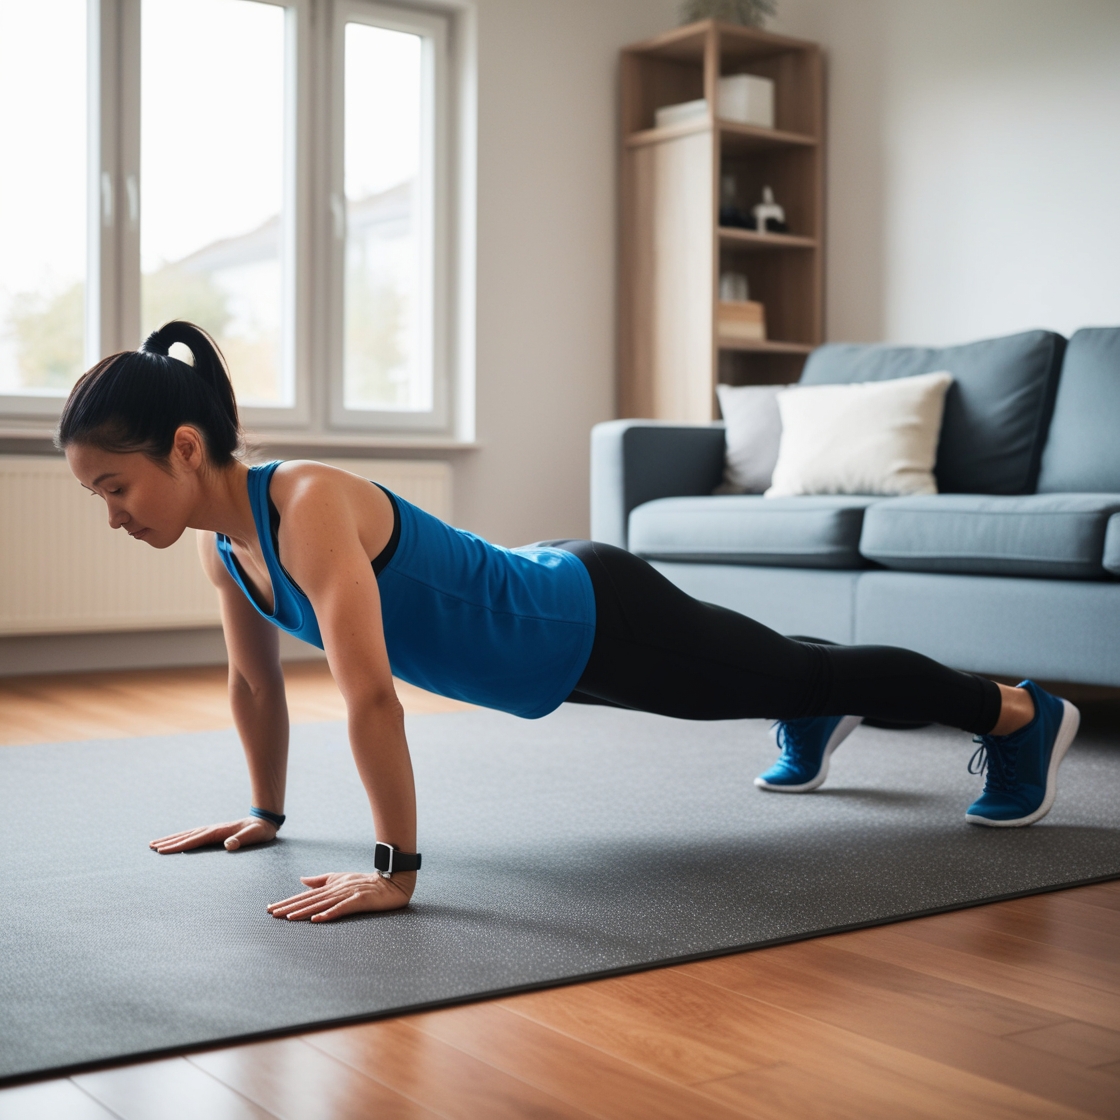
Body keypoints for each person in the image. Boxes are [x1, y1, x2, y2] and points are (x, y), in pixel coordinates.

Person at [58, 321, 1081, 923]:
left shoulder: (308, 505)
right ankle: (806, 700)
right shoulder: (222, 543)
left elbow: (367, 694)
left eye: (116, 487)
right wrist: (267, 813)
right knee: (777, 673)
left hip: (593, 617)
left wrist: (395, 872)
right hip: (550, 651)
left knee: (797, 678)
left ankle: (1013, 713)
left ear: (185, 448)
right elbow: (253, 684)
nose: (110, 517)